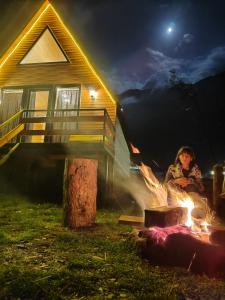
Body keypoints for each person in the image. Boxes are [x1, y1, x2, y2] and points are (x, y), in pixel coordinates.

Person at [165, 146, 208, 219]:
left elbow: (201, 188)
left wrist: (190, 181)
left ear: (191, 158)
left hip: (192, 197)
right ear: (178, 157)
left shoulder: (196, 170)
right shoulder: (172, 168)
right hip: (176, 196)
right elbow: (166, 184)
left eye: (187, 156)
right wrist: (176, 181)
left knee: (197, 211)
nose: (184, 158)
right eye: (182, 155)